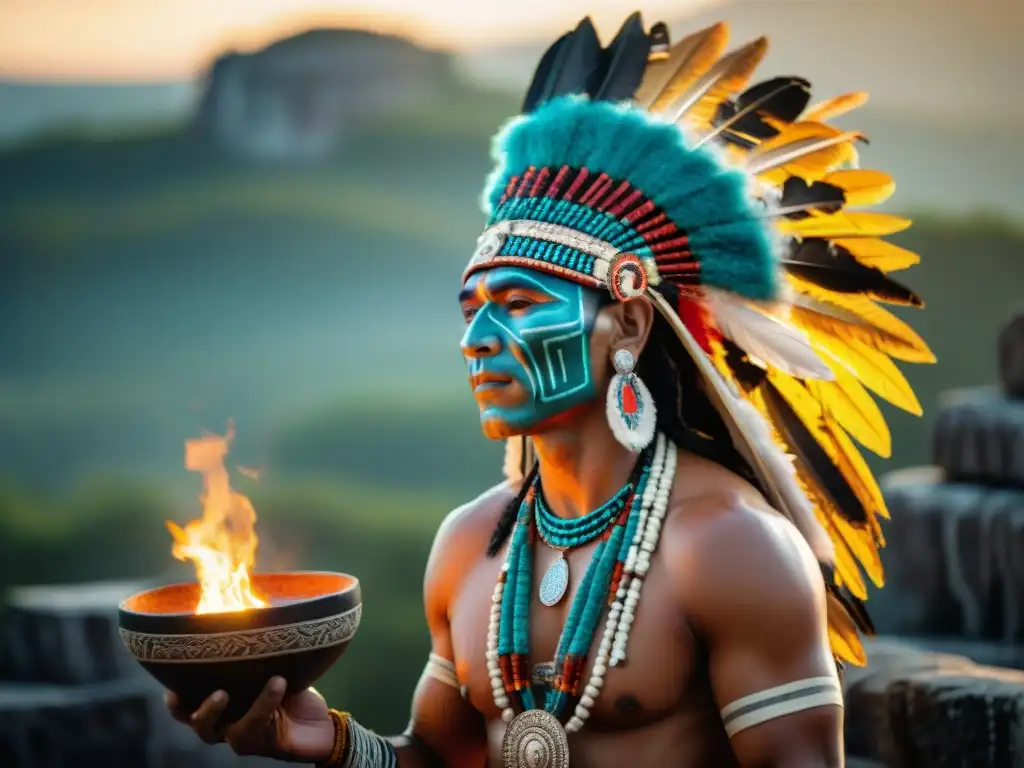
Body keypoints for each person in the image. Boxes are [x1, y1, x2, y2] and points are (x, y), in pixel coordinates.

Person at [167, 13, 933, 768]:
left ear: (628, 325)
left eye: (522, 304)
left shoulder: (730, 547)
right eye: (471, 309)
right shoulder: (470, 545)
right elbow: (441, 758)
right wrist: (326, 740)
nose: (477, 339)